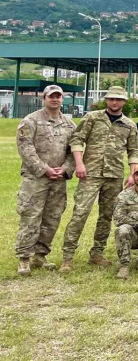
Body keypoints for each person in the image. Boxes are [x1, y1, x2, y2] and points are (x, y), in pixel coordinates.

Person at [61, 86, 138, 272]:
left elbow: (134, 150)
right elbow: (77, 139)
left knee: (107, 216)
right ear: (107, 100)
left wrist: (132, 173)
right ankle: (68, 257)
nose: (115, 102)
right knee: (80, 214)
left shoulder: (129, 125)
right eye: (112, 99)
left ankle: (97, 253)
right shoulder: (93, 118)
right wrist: (79, 163)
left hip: (114, 175)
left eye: (118, 99)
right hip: (90, 173)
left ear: (124, 102)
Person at [15, 84, 76, 276]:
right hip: (35, 178)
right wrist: (44, 169)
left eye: (58, 96)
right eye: (51, 96)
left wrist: (65, 169)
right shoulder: (30, 121)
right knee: (31, 216)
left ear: (62, 99)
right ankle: (24, 258)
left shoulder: (69, 124)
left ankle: (40, 256)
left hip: (59, 180)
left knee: (52, 217)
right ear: (44, 98)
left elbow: (74, 151)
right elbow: (25, 148)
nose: (55, 99)